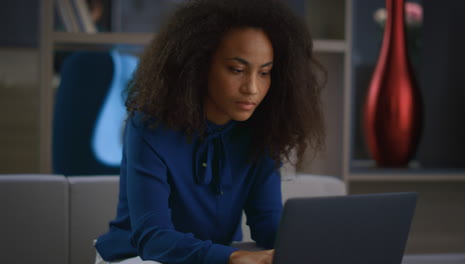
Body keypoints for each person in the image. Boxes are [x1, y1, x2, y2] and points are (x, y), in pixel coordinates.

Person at [95, 0, 325, 263]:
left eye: (264, 73)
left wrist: (311, 246)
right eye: (237, 70)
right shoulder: (148, 127)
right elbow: (152, 237)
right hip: (137, 257)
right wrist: (234, 257)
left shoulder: (262, 130)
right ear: (199, 64)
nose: (252, 88)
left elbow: (267, 223)